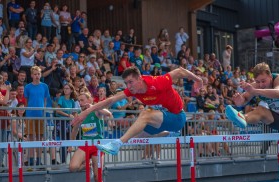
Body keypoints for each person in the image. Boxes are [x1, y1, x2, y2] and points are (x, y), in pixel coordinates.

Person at [72, 66, 203, 155]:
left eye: (131, 82)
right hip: (161, 121)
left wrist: (199, 80)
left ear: (140, 79)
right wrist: (85, 112)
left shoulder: (157, 82)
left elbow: (180, 71)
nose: (128, 86)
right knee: (137, 137)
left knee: (145, 114)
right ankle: (170, 133)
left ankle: (117, 144)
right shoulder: (132, 90)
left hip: (177, 117)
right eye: (126, 83)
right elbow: (110, 101)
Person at [69, 92, 113, 182]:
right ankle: (87, 166)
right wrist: (70, 144)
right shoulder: (80, 115)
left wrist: (93, 107)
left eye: (82, 100)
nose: (81, 103)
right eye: (79, 101)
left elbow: (108, 113)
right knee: (72, 167)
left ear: (89, 100)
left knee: (98, 178)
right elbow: (75, 129)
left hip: (98, 146)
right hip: (85, 145)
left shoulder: (96, 111)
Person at [24, 66, 50, 169]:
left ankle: (39, 159)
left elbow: (45, 100)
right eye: (35, 74)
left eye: (38, 74)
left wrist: (43, 111)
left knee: (40, 138)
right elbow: (26, 101)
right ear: (31, 75)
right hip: (30, 114)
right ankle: (30, 159)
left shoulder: (44, 86)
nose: (37, 76)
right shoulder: (28, 87)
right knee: (30, 137)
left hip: (40, 115)